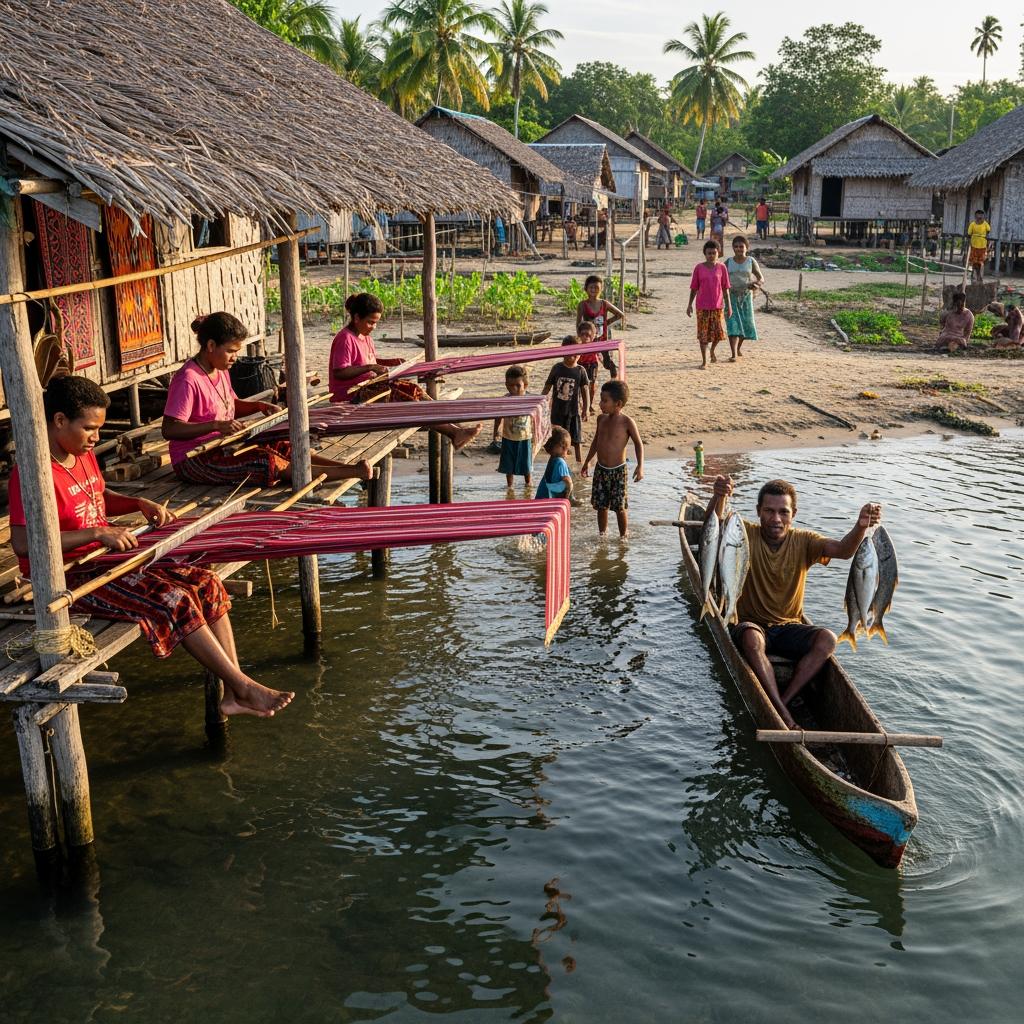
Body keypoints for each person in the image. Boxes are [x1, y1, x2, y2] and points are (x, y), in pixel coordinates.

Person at [10, 376, 294, 718]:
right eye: (89, 429)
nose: (97, 438)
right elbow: (24, 544)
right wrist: (96, 534)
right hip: (69, 577)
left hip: (107, 558)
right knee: (174, 600)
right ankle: (244, 688)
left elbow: (98, 496)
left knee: (206, 582)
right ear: (59, 421)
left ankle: (236, 689)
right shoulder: (33, 471)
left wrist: (138, 503)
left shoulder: (80, 453)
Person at [706, 475, 882, 730]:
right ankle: (784, 713)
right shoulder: (743, 533)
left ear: (793, 514)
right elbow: (711, 528)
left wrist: (861, 526)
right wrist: (719, 496)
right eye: (769, 511)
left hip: (788, 627)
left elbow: (844, 551)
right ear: (759, 512)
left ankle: (781, 703)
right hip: (751, 625)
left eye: (783, 512)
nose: (776, 518)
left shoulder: (804, 541)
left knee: (828, 639)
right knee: (752, 640)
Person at [163, 312, 371, 486]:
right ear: (210, 346)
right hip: (195, 461)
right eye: (230, 351)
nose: (235, 357)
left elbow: (231, 404)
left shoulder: (220, 369)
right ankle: (349, 473)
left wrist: (260, 406)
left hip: (224, 446)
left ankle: (346, 468)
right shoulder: (188, 379)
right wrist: (216, 425)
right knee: (265, 461)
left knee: (281, 446)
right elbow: (170, 429)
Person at [329, 293, 481, 449]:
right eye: (370, 322)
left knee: (412, 389)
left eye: (376, 323)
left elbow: (367, 361)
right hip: (350, 396)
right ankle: (453, 431)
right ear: (356, 318)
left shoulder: (366, 337)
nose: (373, 327)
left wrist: (390, 362)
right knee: (405, 399)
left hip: (368, 388)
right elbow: (340, 372)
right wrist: (371, 367)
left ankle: (455, 430)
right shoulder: (345, 338)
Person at [581, 380, 644, 537]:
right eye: (600, 399)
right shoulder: (601, 419)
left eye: (604, 400)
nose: (601, 404)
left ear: (618, 403)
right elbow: (596, 441)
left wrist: (640, 466)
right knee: (601, 506)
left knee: (619, 507)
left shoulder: (627, 422)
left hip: (618, 471)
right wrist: (587, 461)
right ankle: (602, 534)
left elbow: (638, 444)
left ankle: (624, 536)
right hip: (601, 470)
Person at [543, 337, 590, 462]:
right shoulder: (557, 368)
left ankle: (579, 464)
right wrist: (541, 402)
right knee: (556, 439)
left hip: (573, 412)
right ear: (563, 352)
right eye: (569, 352)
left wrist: (586, 409)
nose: (572, 356)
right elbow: (547, 386)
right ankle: (554, 462)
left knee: (576, 439)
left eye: (576, 352)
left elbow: (585, 391)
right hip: (557, 412)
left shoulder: (581, 370)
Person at [687, 240, 732, 369]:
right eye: (709, 253)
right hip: (702, 306)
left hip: (717, 306)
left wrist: (729, 306)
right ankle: (704, 361)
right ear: (705, 254)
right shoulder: (699, 268)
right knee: (703, 334)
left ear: (718, 253)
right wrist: (689, 304)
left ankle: (712, 350)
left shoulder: (722, 268)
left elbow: (725, 288)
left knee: (719, 333)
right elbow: (694, 288)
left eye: (714, 253)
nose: (711, 255)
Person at [575, 274, 622, 398]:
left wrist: (606, 323)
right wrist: (580, 340)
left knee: (609, 364)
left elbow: (619, 314)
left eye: (597, 288)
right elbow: (578, 325)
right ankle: (586, 398)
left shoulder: (604, 304)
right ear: (586, 289)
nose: (594, 290)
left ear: (601, 289)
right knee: (587, 368)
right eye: (591, 288)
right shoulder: (582, 305)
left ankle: (615, 387)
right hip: (589, 342)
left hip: (603, 339)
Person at [723, 235, 765, 360]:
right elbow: (720, 278)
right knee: (732, 324)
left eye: (741, 246)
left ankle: (738, 348)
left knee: (746, 325)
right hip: (731, 297)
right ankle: (733, 354)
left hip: (746, 297)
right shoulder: (728, 262)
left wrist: (757, 284)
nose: (739, 249)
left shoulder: (750, 261)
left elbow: (761, 278)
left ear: (747, 247)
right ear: (733, 248)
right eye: (736, 247)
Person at [492, 365, 533, 488]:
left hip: (525, 438)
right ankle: (510, 486)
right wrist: (495, 432)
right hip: (508, 437)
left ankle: (528, 484)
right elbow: (498, 416)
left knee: (526, 465)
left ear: (525, 385)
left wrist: (537, 435)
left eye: (517, 386)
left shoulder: (530, 399)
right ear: (506, 385)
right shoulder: (505, 400)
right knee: (508, 465)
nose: (513, 389)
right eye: (510, 386)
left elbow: (537, 417)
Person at [535, 426, 574, 500]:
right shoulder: (560, 462)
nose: (567, 452)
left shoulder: (552, 459)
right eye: (566, 448)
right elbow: (568, 482)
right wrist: (568, 497)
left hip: (542, 496)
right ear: (559, 447)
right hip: (550, 500)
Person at [966, 209, 991, 283]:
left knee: (981, 262)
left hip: (982, 246)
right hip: (974, 246)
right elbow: (969, 233)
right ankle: (973, 279)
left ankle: (980, 279)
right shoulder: (972, 224)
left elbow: (989, 230)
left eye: (981, 216)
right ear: (975, 216)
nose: (979, 218)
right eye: (978, 216)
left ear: (983, 217)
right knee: (974, 262)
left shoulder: (985, 224)